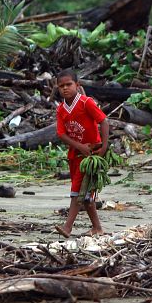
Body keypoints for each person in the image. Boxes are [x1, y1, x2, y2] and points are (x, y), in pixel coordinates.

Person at [54, 69, 109, 238]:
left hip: (92, 155)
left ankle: (68, 227)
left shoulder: (86, 103)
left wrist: (104, 147)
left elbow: (104, 120)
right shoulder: (61, 109)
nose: (65, 88)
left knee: (78, 190)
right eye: (61, 86)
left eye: (69, 84)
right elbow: (61, 134)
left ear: (77, 85)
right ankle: (97, 228)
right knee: (85, 195)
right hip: (76, 155)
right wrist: (79, 146)